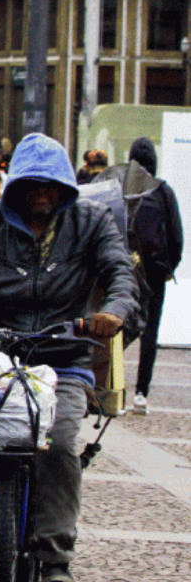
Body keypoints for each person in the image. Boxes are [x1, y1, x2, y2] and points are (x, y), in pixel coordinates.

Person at [0, 133, 139, 582]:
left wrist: (112, 312)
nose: (42, 193)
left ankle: (55, 559)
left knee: (56, 442)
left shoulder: (91, 221)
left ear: (65, 188)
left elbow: (120, 273)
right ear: (16, 185)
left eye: (52, 185)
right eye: (33, 184)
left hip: (65, 351)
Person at [99, 138, 184, 416]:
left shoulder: (116, 185)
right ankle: (141, 394)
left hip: (118, 267)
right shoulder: (162, 191)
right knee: (150, 331)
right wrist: (168, 266)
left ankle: (117, 391)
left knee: (117, 325)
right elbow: (176, 235)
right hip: (153, 272)